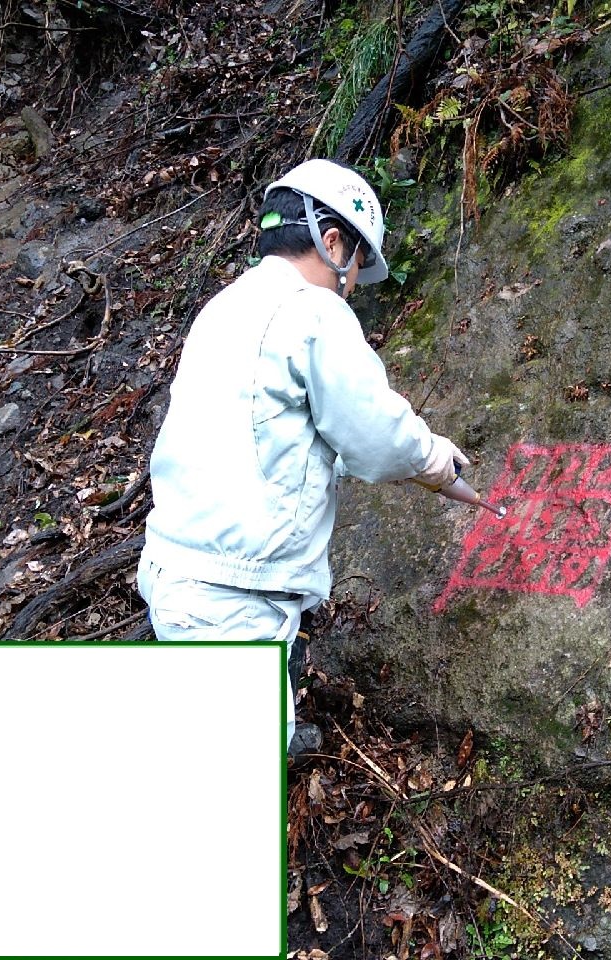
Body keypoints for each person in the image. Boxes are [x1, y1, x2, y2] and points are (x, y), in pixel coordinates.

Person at [136, 159, 467, 763]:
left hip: (177, 572)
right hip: (232, 594)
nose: (352, 285)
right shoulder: (312, 312)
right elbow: (377, 433)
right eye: (357, 265)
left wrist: (338, 466)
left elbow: (262, 436)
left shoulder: (224, 307)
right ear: (332, 242)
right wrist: (435, 462)